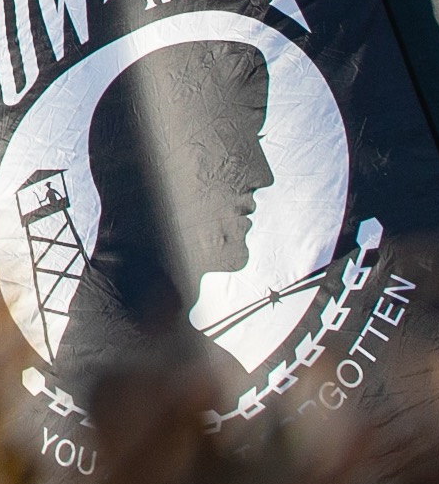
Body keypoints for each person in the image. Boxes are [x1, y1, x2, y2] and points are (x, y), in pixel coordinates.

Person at [54, 37, 275, 403]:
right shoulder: (125, 385)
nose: (262, 175)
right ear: (166, 174)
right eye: (234, 148)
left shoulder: (181, 370)